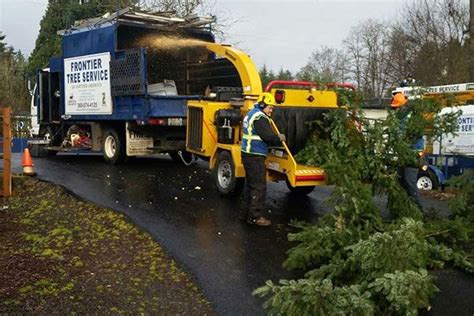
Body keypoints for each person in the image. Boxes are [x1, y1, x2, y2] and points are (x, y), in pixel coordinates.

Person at [240, 92, 286, 226]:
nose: (271, 110)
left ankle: (245, 214)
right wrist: (279, 138)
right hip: (255, 156)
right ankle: (255, 217)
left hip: (248, 154)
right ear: (262, 105)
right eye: (270, 107)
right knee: (259, 186)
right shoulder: (260, 118)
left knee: (250, 186)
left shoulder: (251, 113)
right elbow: (268, 136)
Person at [391, 91, 424, 209]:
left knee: (410, 181)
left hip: (413, 152)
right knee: (401, 181)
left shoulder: (413, 116)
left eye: (397, 108)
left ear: (403, 106)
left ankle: (419, 210)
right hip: (403, 152)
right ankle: (405, 209)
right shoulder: (400, 118)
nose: (395, 110)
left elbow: (417, 132)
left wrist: (406, 140)